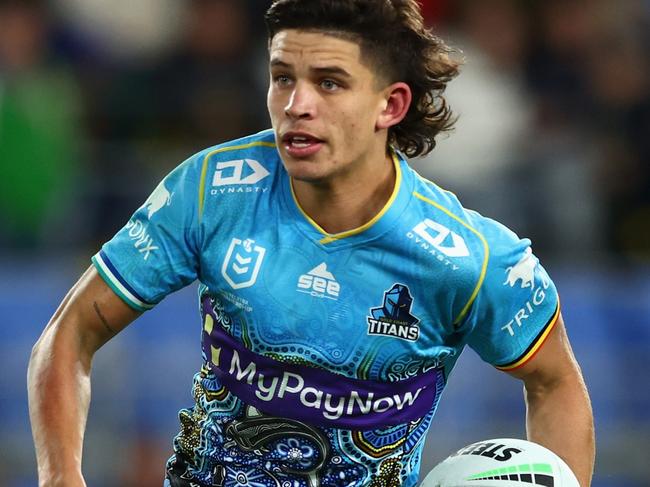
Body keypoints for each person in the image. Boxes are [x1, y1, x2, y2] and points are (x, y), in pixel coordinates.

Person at [27, 1, 595, 486]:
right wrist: (60, 477)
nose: (297, 104)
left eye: (329, 81)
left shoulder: (471, 259)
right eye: (282, 77)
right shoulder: (210, 190)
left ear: (390, 105)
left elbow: (556, 383)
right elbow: (70, 332)